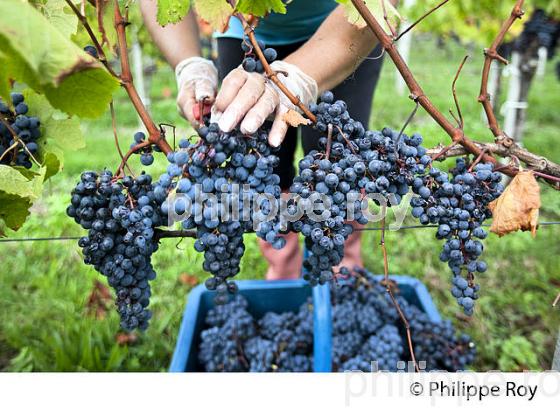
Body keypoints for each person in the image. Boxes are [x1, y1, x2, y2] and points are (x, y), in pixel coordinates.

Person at [140, 0, 389, 280]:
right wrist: (189, 64)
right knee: (265, 171)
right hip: (244, 35)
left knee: (340, 168)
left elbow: (379, 5)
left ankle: (342, 272)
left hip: (347, 24)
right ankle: (283, 273)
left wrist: (297, 78)